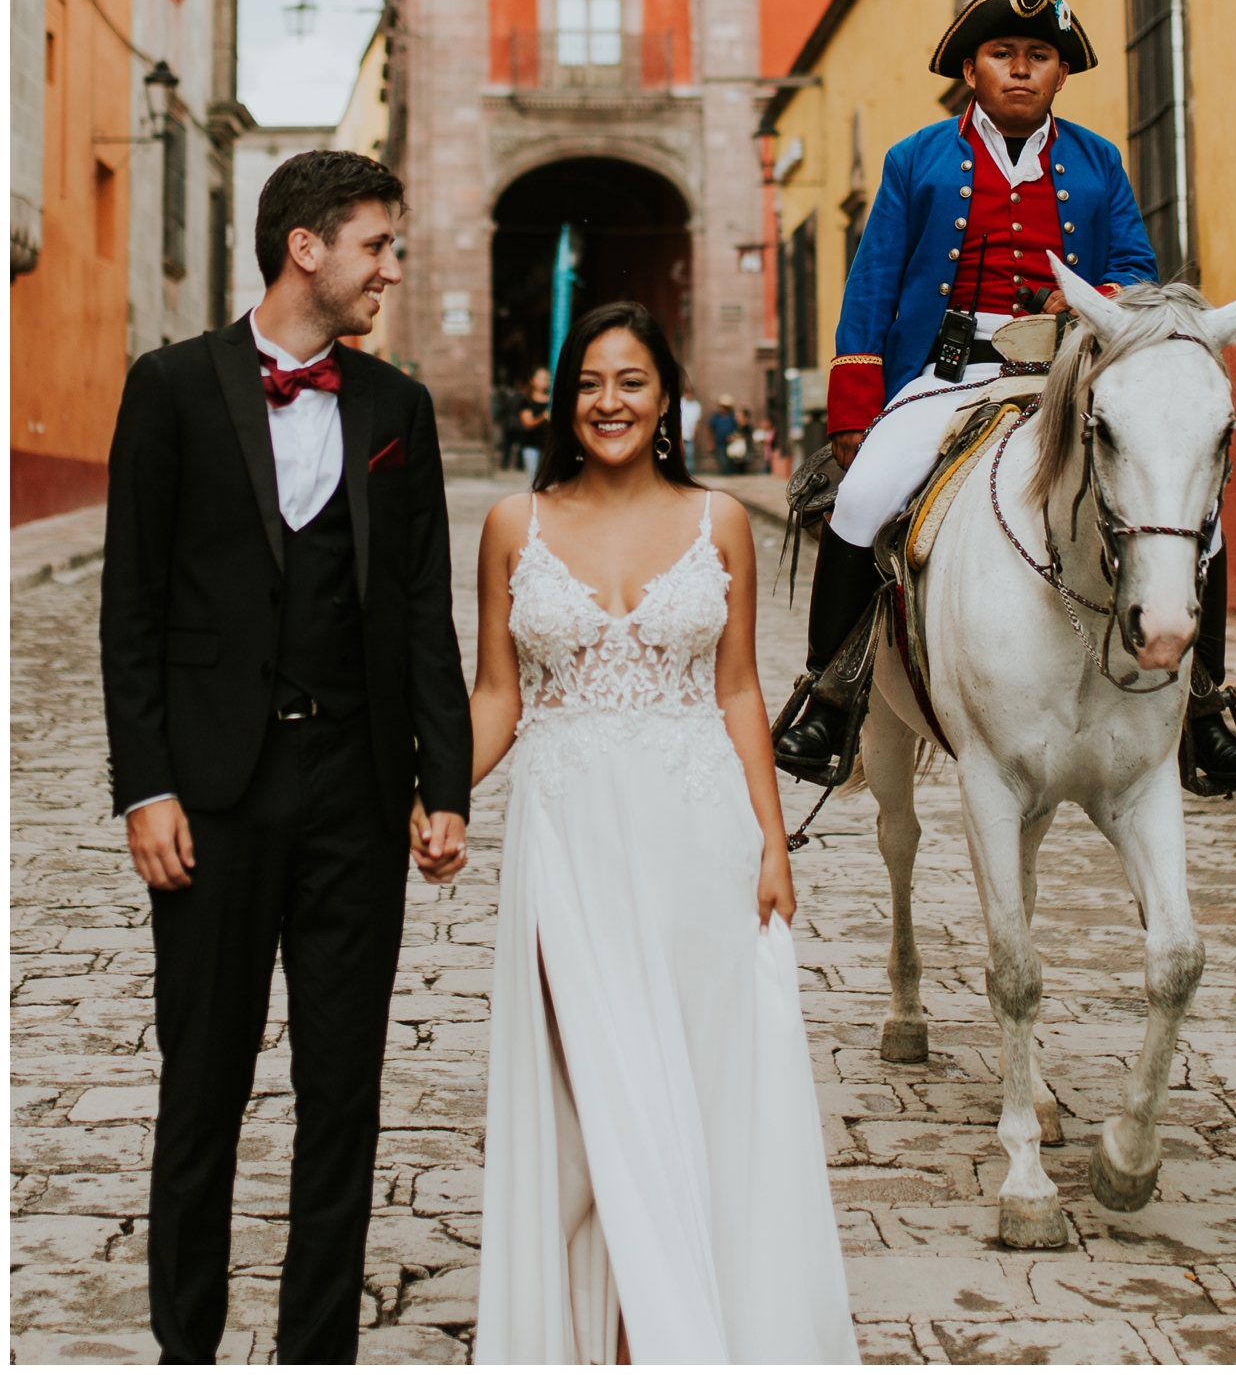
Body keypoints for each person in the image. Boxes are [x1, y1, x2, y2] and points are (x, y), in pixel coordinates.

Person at [99, 149, 473, 1366]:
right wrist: (144, 784)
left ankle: (320, 1351)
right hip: (209, 797)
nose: (391, 269)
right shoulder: (168, 389)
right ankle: (185, 1348)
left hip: (355, 799)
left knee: (342, 1100)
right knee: (201, 1091)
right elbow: (133, 608)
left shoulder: (395, 409)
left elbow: (423, 612)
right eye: (376, 244)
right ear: (306, 245)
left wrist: (444, 784)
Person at [469, 301, 856, 1365]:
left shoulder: (719, 519)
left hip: (700, 840)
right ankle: (596, 1330)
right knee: (591, 1090)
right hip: (571, 836)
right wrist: (433, 795)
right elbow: (497, 695)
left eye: (631, 382)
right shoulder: (516, 524)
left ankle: (677, 1334)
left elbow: (737, 691)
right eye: (591, 382)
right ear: (561, 396)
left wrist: (773, 842)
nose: (610, 402)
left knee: (702, 1084)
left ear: (667, 396)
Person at [774, 0, 1236, 796]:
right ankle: (829, 691)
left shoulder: (1098, 160)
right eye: (1003, 54)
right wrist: (856, 410)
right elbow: (870, 290)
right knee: (863, 499)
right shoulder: (913, 161)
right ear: (970, 68)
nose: (1020, 69)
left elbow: (1137, 275)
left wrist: (1093, 300)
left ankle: (1205, 708)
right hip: (948, 375)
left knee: (1201, 524)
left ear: (1060, 76)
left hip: (1064, 375)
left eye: (1039, 57)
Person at [518, 365, 552, 482]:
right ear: (532, 380)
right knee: (534, 481)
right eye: (541, 378)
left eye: (547, 378)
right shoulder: (527, 401)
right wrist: (543, 417)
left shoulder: (553, 399)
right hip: (532, 445)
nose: (545, 381)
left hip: (550, 446)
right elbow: (527, 424)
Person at [708, 393, 739, 474]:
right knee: (723, 463)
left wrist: (734, 437)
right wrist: (710, 443)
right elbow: (709, 429)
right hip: (720, 444)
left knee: (731, 462)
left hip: (731, 444)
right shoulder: (716, 417)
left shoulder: (732, 417)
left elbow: (738, 429)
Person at [678, 379, 702, 472]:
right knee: (680, 455)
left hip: (690, 435)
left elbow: (697, 422)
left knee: (689, 455)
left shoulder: (696, 405)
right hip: (680, 433)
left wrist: (696, 435)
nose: (689, 394)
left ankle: (689, 474)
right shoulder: (680, 403)